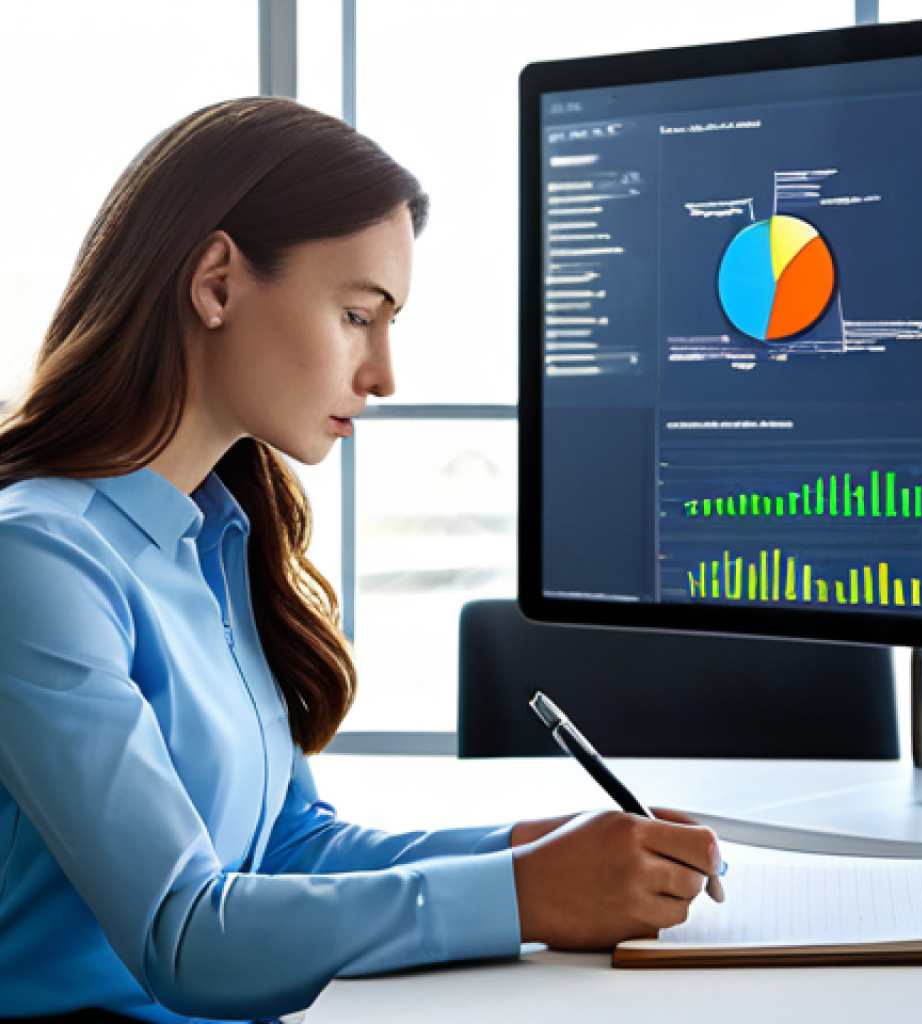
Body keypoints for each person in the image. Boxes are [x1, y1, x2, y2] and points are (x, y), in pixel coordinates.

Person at [0, 97, 722, 1023]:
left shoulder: (215, 538)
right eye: (356, 315)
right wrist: (526, 896)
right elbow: (183, 936)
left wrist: (524, 854)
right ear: (216, 282)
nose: (383, 374)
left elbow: (290, 846)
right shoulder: (39, 561)